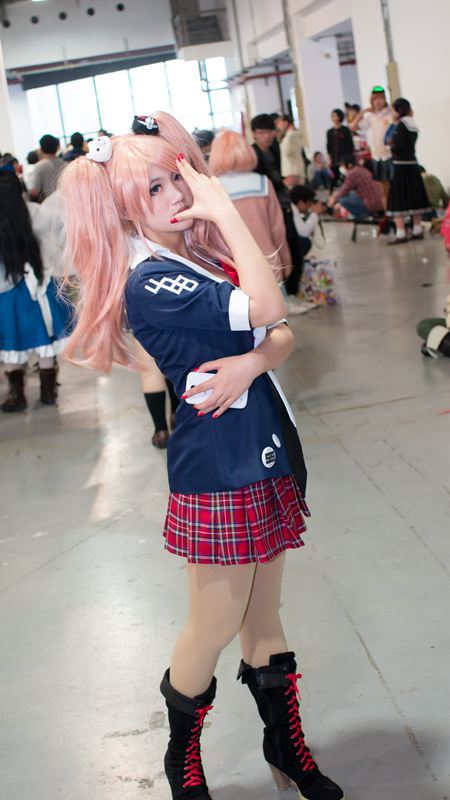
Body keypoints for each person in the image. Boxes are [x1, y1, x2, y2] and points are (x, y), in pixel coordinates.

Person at [59, 111, 345, 800]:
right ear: (124, 208)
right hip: (220, 471)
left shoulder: (196, 258)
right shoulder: (154, 280)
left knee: (265, 616)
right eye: (154, 189)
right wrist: (224, 209)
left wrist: (251, 363)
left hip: (265, 449)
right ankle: (180, 758)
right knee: (214, 624)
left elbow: (282, 333)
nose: (176, 196)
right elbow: (268, 307)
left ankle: (284, 746)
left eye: (177, 179)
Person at [0, 166, 71, 411]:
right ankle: (48, 392)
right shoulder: (37, 212)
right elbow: (59, 234)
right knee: (45, 342)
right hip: (41, 288)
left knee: (12, 344)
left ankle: (17, 395)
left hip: (8, 296)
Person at [251, 114, 304, 304]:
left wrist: (283, 183)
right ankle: (287, 296)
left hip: (283, 204)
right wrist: (283, 183)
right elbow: (260, 185)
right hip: (268, 210)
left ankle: (292, 293)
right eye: (261, 133)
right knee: (281, 250)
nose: (266, 136)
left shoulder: (274, 148)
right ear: (254, 134)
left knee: (294, 248)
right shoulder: (252, 155)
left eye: (269, 132)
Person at [386, 98, 430, 244]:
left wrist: (391, 146)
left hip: (400, 165)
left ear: (398, 110)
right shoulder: (412, 124)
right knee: (414, 196)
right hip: (412, 164)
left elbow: (397, 146)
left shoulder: (400, 126)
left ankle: (400, 233)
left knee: (398, 199)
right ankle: (417, 229)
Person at [349, 86, 393, 203]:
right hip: (376, 156)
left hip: (389, 155)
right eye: (374, 99)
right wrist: (363, 112)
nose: (377, 102)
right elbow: (353, 127)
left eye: (380, 98)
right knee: (382, 190)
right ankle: (387, 212)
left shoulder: (390, 114)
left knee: (393, 187)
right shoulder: (371, 117)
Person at [327, 155, 384, 219]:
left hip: (371, 205)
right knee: (351, 194)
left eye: (342, 165)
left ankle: (363, 216)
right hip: (379, 203)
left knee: (343, 200)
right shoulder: (361, 169)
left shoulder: (352, 173)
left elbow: (345, 190)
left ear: (349, 165)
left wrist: (333, 198)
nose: (341, 168)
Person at [29, 134, 65, 203]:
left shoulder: (39, 166)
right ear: (57, 147)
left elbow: (35, 192)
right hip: (65, 202)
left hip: (48, 204)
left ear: (41, 149)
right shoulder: (65, 164)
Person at [290, 185, 325, 257]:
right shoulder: (292, 209)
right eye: (309, 203)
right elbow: (303, 233)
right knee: (305, 242)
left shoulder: (291, 207)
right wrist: (315, 213)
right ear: (300, 202)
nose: (309, 206)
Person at [326, 109, 354, 189]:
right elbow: (329, 146)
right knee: (333, 178)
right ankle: (333, 193)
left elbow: (350, 145)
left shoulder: (345, 130)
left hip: (344, 158)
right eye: (333, 116)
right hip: (334, 158)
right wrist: (329, 158)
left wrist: (348, 159)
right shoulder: (329, 132)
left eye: (336, 116)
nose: (334, 118)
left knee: (345, 178)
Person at [275, 113, 305, 187]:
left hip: (293, 173)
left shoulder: (291, 135)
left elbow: (286, 150)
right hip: (292, 171)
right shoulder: (289, 135)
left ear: (285, 123)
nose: (278, 126)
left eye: (279, 123)